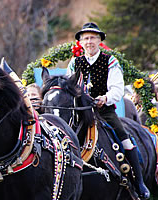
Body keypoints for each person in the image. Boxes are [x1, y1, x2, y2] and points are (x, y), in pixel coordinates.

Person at [66, 22, 150, 199]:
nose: (89, 42)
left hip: (104, 111)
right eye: (86, 38)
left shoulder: (110, 61)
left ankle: (139, 183)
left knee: (125, 140)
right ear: (80, 42)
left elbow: (118, 89)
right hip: (80, 111)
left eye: (92, 38)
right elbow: (69, 87)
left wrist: (105, 98)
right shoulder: (75, 63)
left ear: (99, 41)